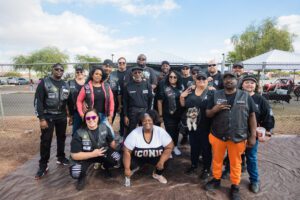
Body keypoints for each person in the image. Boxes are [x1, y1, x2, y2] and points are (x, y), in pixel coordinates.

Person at [205, 72, 257, 200]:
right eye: (226, 78)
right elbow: (207, 114)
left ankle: (235, 186)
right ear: (223, 81)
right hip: (218, 135)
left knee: (236, 162)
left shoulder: (245, 96)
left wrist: (253, 135)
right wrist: (214, 109)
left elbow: (252, 116)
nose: (229, 80)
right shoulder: (215, 95)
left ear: (237, 80)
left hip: (238, 136)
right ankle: (216, 179)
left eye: (231, 78)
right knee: (217, 160)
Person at [34, 63, 70, 179]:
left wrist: (72, 116)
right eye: (57, 69)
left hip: (62, 116)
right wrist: (41, 118)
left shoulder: (65, 84)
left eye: (61, 70)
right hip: (47, 116)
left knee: (61, 138)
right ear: (52, 70)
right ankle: (43, 165)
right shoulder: (44, 82)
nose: (59, 71)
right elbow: (38, 101)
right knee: (46, 140)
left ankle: (61, 157)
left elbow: (70, 101)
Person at [70, 109, 121, 190]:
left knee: (117, 157)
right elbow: (74, 155)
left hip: (102, 153)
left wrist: (111, 156)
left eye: (93, 117)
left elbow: (112, 143)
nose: (91, 120)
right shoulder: (79, 133)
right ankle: (81, 177)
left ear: (98, 118)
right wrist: (93, 154)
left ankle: (105, 166)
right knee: (76, 172)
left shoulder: (104, 127)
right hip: (86, 157)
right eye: (88, 118)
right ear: (85, 120)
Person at [240, 75, 275, 193]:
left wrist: (268, 132)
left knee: (251, 158)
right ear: (242, 84)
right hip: (236, 134)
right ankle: (229, 171)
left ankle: (254, 181)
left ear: (255, 86)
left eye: (252, 83)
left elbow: (268, 116)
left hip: (252, 135)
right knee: (233, 156)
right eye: (246, 82)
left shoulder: (261, 100)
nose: (249, 84)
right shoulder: (236, 96)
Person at [123, 111, 174, 186]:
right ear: (141, 122)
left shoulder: (160, 131)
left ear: (153, 121)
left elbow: (169, 147)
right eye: (144, 121)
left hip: (155, 158)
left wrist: (161, 161)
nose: (147, 122)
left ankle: (157, 174)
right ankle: (136, 168)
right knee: (127, 163)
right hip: (138, 158)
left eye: (149, 120)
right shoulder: (135, 133)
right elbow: (126, 151)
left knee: (168, 159)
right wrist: (127, 168)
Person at [180, 72, 212, 179]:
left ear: (207, 80)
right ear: (195, 80)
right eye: (199, 78)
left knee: (206, 148)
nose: (201, 80)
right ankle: (194, 165)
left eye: (204, 78)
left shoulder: (212, 92)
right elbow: (183, 105)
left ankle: (207, 169)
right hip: (192, 123)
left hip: (206, 125)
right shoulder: (190, 90)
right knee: (194, 147)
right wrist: (181, 96)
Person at [76, 66, 115, 137]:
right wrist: (82, 114)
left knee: (111, 135)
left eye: (100, 75)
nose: (98, 76)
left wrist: (111, 115)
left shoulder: (107, 86)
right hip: (91, 117)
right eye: (96, 74)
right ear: (92, 75)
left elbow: (111, 100)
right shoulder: (86, 87)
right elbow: (79, 101)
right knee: (92, 136)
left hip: (103, 116)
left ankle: (108, 148)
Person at [157, 70, 183, 156]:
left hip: (178, 114)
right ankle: (168, 149)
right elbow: (159, 101)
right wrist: (160, 115)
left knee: (176, 131)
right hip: (167, 114)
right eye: (170, 77)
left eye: (174, 77)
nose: (172, 78)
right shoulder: (164, 87)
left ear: (177, 78)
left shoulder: (181, 87)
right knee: (169, 132)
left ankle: (175, 146)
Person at [123, 66, 153, 135]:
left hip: (144, 111)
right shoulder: (128, 86)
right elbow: (125, 101)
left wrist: (148, 112)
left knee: (144, 130)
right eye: (135, 73)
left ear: (142, 74)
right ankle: (130, 144)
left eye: (139, 72)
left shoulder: (147, 85)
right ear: (132, 74)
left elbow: (150, 99)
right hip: (132, 112)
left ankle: (143, 145)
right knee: (131, 130)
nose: (137, 74)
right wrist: (125, 115)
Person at [110, 57, 130, 138]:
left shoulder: (129, 73)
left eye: (123, 63)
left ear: (126, 64)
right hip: (114, 99)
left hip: (126, 99)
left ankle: (122, 136)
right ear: (117, 64)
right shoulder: (113, 74)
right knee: (111, 118)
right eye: (120, 63)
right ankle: (109, 137)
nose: (121, 64)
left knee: (123, 119)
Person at [68, 65, 86, 136]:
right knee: (76, 130)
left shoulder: (88, 82)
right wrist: (69, 113)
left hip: (87, 110)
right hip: (75, 111)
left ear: (84, 72)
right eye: (77, 72)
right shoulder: (70, 82)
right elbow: (67, 98)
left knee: (87, 129)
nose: (79, 73)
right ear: (75, 73)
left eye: (81, 72)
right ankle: (75, 145)